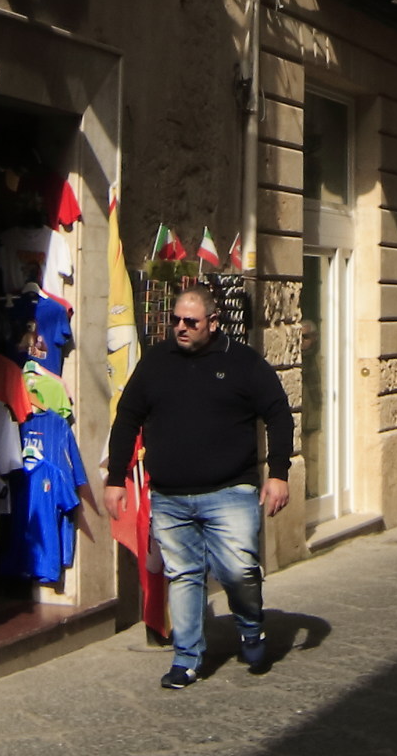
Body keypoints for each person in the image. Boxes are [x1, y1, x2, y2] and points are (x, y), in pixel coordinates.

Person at [105, 287, 294, 690]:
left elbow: (279, 413)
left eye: (191, 321)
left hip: (231, 490)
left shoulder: (243, 362)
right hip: (170, 495)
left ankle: (250, 625)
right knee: (184, 575)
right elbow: (127, 419)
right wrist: (116, 478)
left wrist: (278, 472)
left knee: (238, 569)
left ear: (213, 322)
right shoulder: (156, 361)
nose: (180, 327)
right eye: (176, 320)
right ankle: (187, 658)